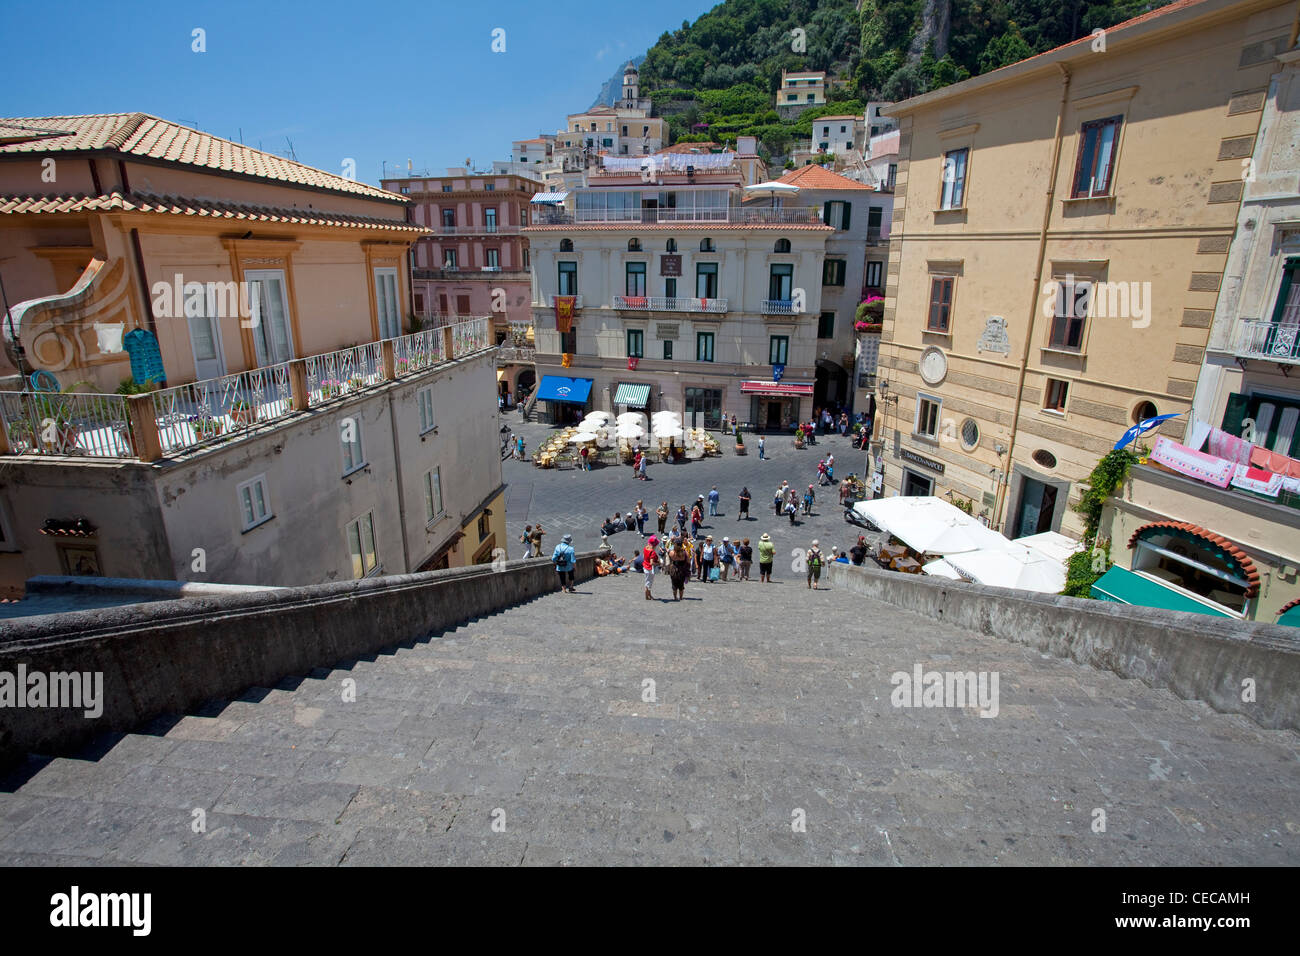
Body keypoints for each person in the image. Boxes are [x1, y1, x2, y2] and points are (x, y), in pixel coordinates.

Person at [668, 535, 689, 601]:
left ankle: (675, 598)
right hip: (682, 570)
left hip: (673, 570)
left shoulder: (672, 552)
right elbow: (688, 562)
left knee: (674, 585)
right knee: (681, 585)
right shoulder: (685, 553)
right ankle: (681, 597)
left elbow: (669, 558)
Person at [643, 535, 659, 600]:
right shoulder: (652, 552)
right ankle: (647, 596)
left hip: (645, 566)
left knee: (648, 582)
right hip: (650, 568)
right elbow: (651, 562)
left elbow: (645, 557)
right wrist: (659, 563)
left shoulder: (645, 548)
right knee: (648, 583)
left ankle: (649, 595)